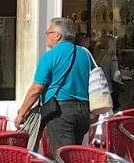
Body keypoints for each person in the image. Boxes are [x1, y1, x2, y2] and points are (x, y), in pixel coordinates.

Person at [16, 18, 96, 155]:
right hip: (83, 110)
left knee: (64, 157)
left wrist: (21, 114)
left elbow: (36, 89)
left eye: (48, 32)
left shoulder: (50, 56)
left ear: (58, 35)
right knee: (74, 155)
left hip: (60, 111)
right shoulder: (85, 54)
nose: (46, 35)